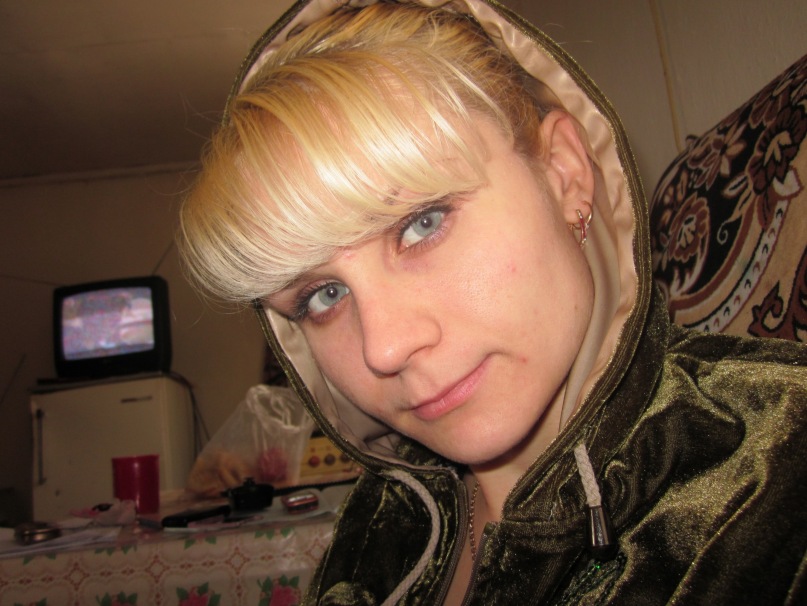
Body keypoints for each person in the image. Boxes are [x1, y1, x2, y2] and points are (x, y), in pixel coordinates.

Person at [179, 1, 807, 604]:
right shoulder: (376, 527)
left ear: (564, 173)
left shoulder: (775, 465)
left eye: (422, 223)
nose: (385, 347)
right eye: (324, 295)